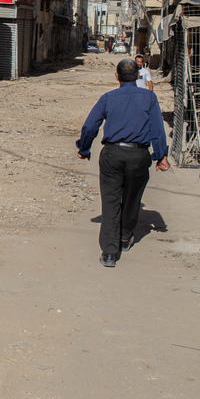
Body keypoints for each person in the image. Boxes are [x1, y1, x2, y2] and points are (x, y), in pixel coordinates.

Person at [76, 58, 171, 267]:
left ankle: (110, 253)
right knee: (132, 198)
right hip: (138, 156)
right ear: (138, 75)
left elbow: (90, 126)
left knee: (110, 202)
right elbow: (157, 128)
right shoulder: (149, 98)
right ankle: (125, 237)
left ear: (116, 76)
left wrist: (84, 148)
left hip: (112, 154)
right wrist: (161, 155)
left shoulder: (108, 98)